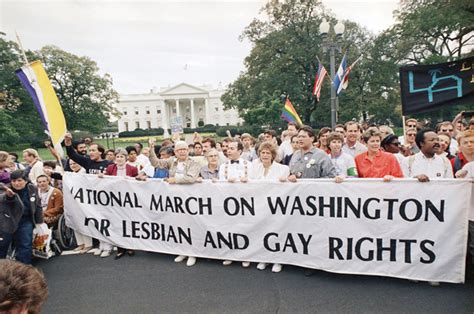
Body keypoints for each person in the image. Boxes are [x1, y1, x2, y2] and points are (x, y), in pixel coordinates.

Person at [147, 140, 200, 266]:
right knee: (178, 225)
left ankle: (192, 253)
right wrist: (151, 149)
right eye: (179, 150)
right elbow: (156, 163)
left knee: (190, 225)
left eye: (184, 149)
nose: (182, 151)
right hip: (175, 199)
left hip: (189, 198)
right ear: (175, 152)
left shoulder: (194, 163)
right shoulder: (171, 161)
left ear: (188, 150)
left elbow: (191, 178)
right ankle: (182, 251)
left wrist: (174, 180)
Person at [249, 141, 289, 273]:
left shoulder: (283, 169)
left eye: (267, 153)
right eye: (262, 153)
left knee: (277, 232)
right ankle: (264, 258)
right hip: (259, 206)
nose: (265, 155)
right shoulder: (254, 168)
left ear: (273, 155)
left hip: (276, 207)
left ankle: (278, 259)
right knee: (262, 232)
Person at [218, 139, 253, 267]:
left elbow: (254, 181)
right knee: (230, 228)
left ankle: (246, 255)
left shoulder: (249, 165)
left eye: (232, 148)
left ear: (239, 151)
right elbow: (221, 184)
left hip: (245, 201)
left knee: (245, 228)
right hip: (229, 202)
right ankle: (231, 254)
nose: (228, 150)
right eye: (227, 148)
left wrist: (245, 180)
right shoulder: (223, 166)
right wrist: (227, 182)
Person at [0, 170, 43, 265]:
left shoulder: (32, 188)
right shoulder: (5, 188)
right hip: (7, 222)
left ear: (26, 180)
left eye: (19, 180)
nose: (16, 183)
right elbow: (2, 197)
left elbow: (38, 205)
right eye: (14, 181)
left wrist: (40, 222)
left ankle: (24, 267)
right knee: (3, 246)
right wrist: (9, 196)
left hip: (25, 221)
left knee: (25, 245)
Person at [102, 149, 138, 259]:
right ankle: (120, 248)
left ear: (126, 158)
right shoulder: (110, 168)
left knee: (129, 223)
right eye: (117, 156)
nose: (119, 159)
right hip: (114, 200)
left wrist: (132, 179)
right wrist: (100, 177)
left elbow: (137, 182)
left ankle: (130, 247)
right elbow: (104, 181)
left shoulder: (132, 168)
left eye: (122, 156)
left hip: (128, 200)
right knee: (117, 223)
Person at [67, 159, 93, 254]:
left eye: (75, 163)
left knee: (83, 223)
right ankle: (80, 243)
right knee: (75, 222)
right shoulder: (71, 174)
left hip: (83, 201)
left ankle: (88, 244)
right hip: (73, 201)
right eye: (71, 164)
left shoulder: (83, 172)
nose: (73, 165)